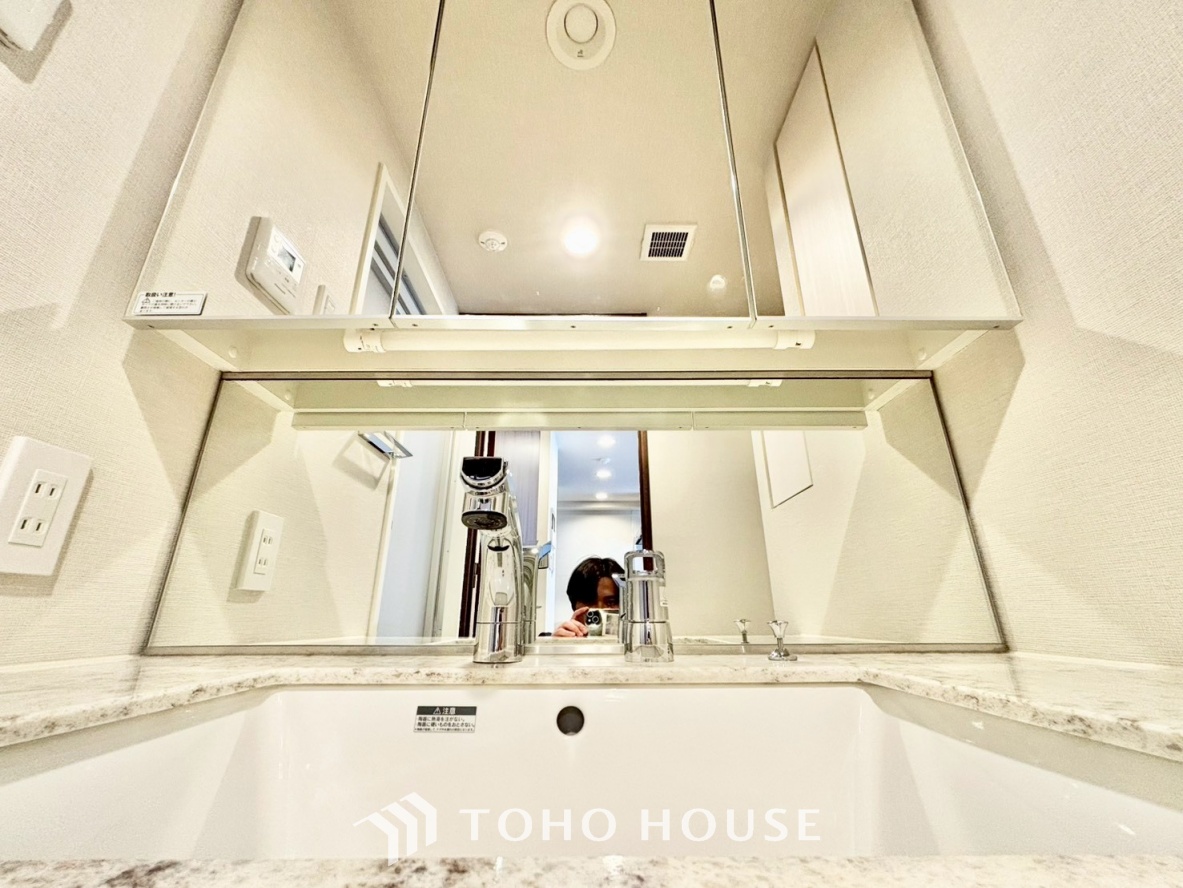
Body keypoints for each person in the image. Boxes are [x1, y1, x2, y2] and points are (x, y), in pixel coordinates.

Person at [553, 556, 623, 637]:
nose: (600, 609)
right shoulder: (565, 638)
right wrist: (558, 643)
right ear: (574, 606)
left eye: (611, 602)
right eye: (590, 602)